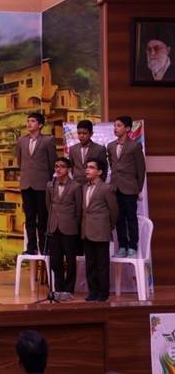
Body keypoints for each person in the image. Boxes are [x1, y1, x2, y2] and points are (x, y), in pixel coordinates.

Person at [16, 112, 57, 255]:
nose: (29, 123)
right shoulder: (22, 140)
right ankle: (31, 247)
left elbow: (52, 162)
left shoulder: (48, 140)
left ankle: (44, 247)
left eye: (32, 121)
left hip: (42, 184)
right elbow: (20, 161)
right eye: (28, 121)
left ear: (40, 125)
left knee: (43, 217)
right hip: (26, 184)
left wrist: (50, 181)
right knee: (29, 217)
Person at [106, 116, 146, 258]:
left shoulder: (134, 146)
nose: (115, 128)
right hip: (115, 187)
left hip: (130, 188)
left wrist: (138, 189)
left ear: (127, 128)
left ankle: (133, 246)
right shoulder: (110, 146)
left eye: (119, 126)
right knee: (119, 218)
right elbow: (112, 165)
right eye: (114, 126)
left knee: (131, 218)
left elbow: (141, 169)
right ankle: (122, 246)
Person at [81, 158, 118, 302]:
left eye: (91, 167)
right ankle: (93, 292)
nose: (87, 170)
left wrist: (108, 226)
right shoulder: (84, 187)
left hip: (101, 230)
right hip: (86, 230)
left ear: (100, 172)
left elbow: (114, 210)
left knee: (102, 264)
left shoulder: (106, 188)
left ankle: (103, 293)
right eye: (86, 167)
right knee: (90, 264)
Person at [45, 157, 81, 301]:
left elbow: (79, 209)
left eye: (62, 166)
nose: (58, 169)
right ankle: (58, 289)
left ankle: (69, 289)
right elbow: (48, 205)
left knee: (70, 260)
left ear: (68, 169)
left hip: (69, 227)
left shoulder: (75, 186)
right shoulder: (50, 185)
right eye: (56, 166)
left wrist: (73, 224)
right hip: (54, 227)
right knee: (55, 260)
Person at [68, 119, 107, 186]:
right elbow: (71, 167)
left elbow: (104, 169)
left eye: (84, 133)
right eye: (79, 133)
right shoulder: (72, 149)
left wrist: (99, 185)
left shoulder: (100, 149)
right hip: (76, 184)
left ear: (91, 134)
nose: (81, 136)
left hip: (93, 185)